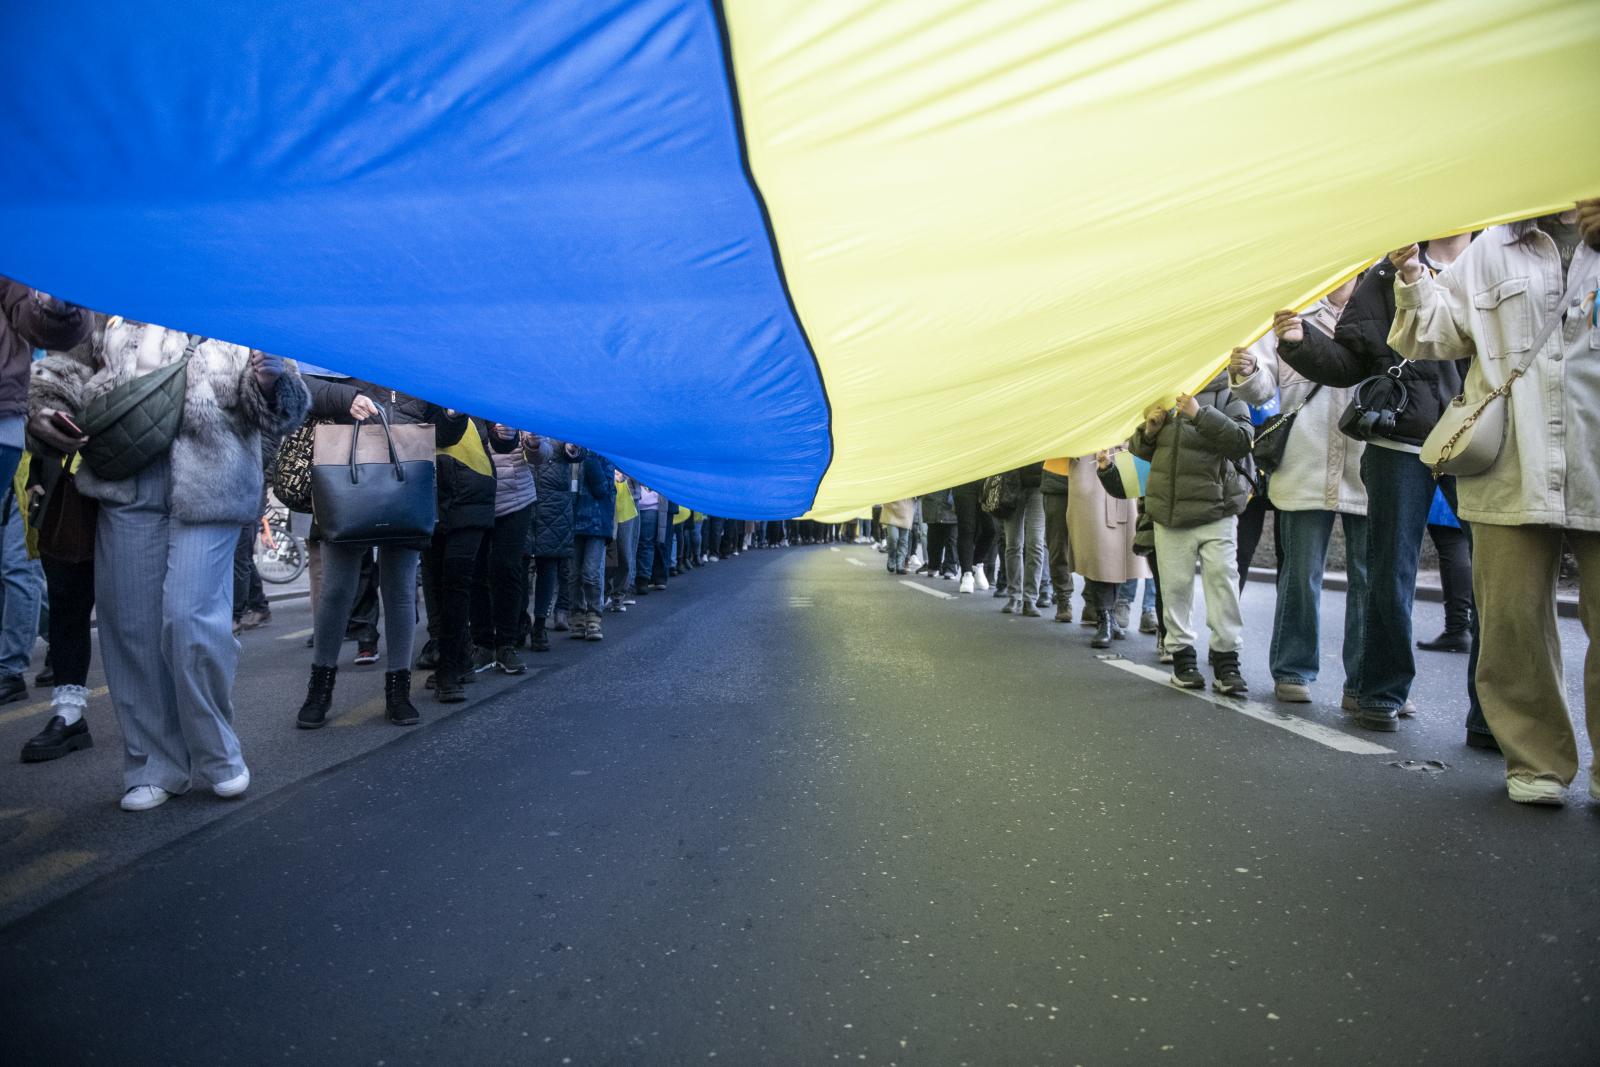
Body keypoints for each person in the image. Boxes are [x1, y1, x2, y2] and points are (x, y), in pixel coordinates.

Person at [29, 317, 309, 810]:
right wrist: (47, 411)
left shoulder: (238, 306)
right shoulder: (110, 304)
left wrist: (269, 381)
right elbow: (59, 372)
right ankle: (153, 764)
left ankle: (218, 752)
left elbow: (286, 410)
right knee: (131, 630)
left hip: (212, 487)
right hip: (124, 482)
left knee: (191, 623)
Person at [1387, 200, 1600, 805]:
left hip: (1595, 452)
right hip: (1512, 461)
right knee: (1511, 623)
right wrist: (1409, 278)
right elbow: (1432, 334)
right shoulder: (1491, 248)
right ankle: (1535, 762)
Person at [1273, 235, 1484, 739]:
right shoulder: (1386, 274)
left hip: (1479, 438)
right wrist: (1302, 342)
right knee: (1388, 573)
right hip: (1399, 440)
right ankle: (1379, 692)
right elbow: (1350, 361)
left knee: (1494, 582)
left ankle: (1491, 715)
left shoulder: (1496, 257)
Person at [1231, 279, 1368, 707]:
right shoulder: (1292, 314)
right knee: (1300, 575)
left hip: (1367, 462)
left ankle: (1368, 680)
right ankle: (1293, 669)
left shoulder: (1380, 306)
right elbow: (1264, 388)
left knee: (1371, 579)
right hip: (1304, 461)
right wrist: (1247, 371)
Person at [295, 378, 452, 727]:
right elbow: (300, 383)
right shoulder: (351, 339)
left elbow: (446, 437)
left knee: (400, 593)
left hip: (405, 484)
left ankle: (398, 691)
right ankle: (319, 688)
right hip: (348, 481)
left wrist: (452, 412)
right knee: (336, 591)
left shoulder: (423, 365)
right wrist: (347, 397)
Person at [1132, 373, 1253, 694]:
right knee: (1174, 588)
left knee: (1223, 584)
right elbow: (1139, 449)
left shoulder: (1229, 396)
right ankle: (1182, 659)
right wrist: (1149, 431)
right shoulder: (1163, 394)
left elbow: (1242, 442)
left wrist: (1200, 414)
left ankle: (1227, 661)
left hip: (1217, 510)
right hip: (1169, 512)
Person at [1067, 453, 1148, 648]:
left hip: (1127, 458)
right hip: (1090, 461)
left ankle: (1109, 616)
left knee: (1122, 547)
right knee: (1097, 547)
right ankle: (1104, 616)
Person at [566, 443, 616, 640]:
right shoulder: (569, 453)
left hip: (596, 522)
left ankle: (594, 617)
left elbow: (602, 489)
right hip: (571, 521)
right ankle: (577, 616)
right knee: (573, 574)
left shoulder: (603, 455)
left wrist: (589, 457)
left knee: (590, 573)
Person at [1419, 490, 1473, 652]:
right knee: (1461, 544)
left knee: (1451, 541)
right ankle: (1467, 627)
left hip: (1447, 480)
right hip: (1469, 486)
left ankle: (1458, 627)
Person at [1001, 464, 1046, 616]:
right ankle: (1014, 596)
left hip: (1039, 486)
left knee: (1035, 543)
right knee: (1013, 544)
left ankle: (1030, 598)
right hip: (1011, 483)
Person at [1041, 459, 1074, 621]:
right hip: (1057, 476)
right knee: (1058, 545)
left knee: (1093, 546)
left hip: (1093, 474)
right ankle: (1063, 598)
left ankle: (1094, 603)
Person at [952, 479, 995, 593]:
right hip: (963, 479)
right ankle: (967, 573)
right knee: (966, 528)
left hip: (988, 480)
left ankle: (976, 564)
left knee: (991, 529)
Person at [881, 497, 916, 574]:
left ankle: (900, 564)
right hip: (891, 507)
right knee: (893, 538)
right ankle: (891, 558)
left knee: (903, 541)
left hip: (907, 507)